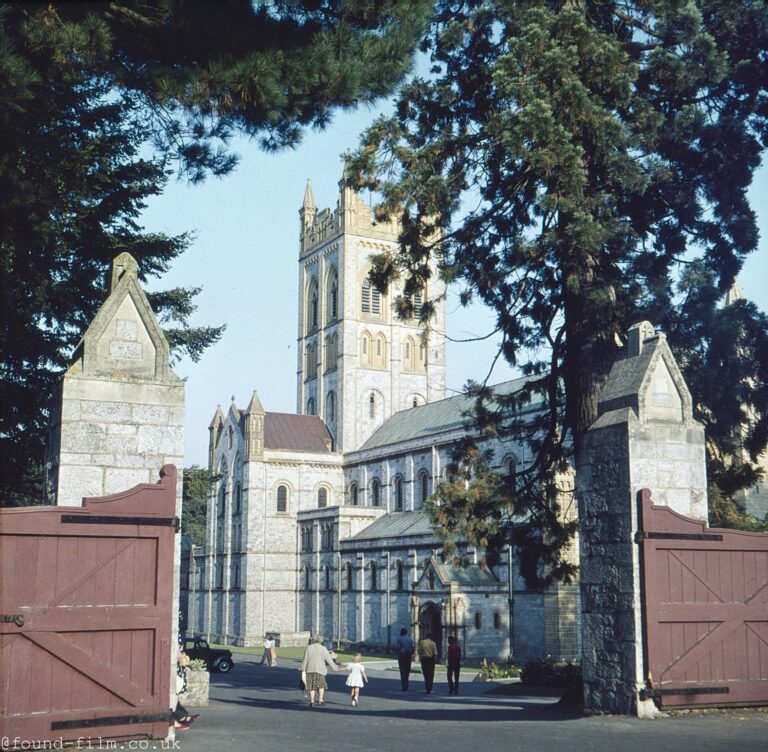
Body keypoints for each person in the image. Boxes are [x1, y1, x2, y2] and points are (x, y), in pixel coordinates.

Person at [300, 635, 344, 707]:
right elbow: (329, 659)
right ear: (321, 641)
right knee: (321, 686)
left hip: (310, 669)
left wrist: (303, 669)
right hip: (320, 670)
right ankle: (320, 700)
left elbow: (305, 660)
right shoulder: (323, 649)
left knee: (311, 686)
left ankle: (312, 701)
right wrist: (335, 668)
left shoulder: (308, 648)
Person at [172, 646, 199, 730]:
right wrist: (179, 654)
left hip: (177, 660)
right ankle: (177, 718)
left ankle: (180, 716)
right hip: (175, 660)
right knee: (173, 691)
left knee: (176, 691)